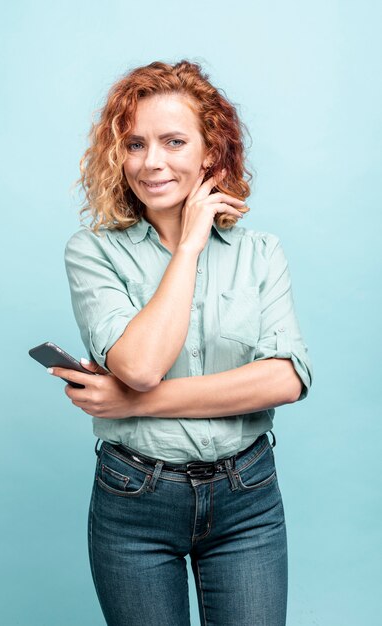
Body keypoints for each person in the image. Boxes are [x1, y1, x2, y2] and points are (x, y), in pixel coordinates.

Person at [49, 60, 313, 626]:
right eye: (136, 143)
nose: (152, 162)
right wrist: (190, 246)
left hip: (248, 499)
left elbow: (286, 379)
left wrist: (133, 404)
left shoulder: (259, 252)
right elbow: (141, 365)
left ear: (210, 152)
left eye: (174, 141)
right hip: (134, 500)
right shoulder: (93, 252)